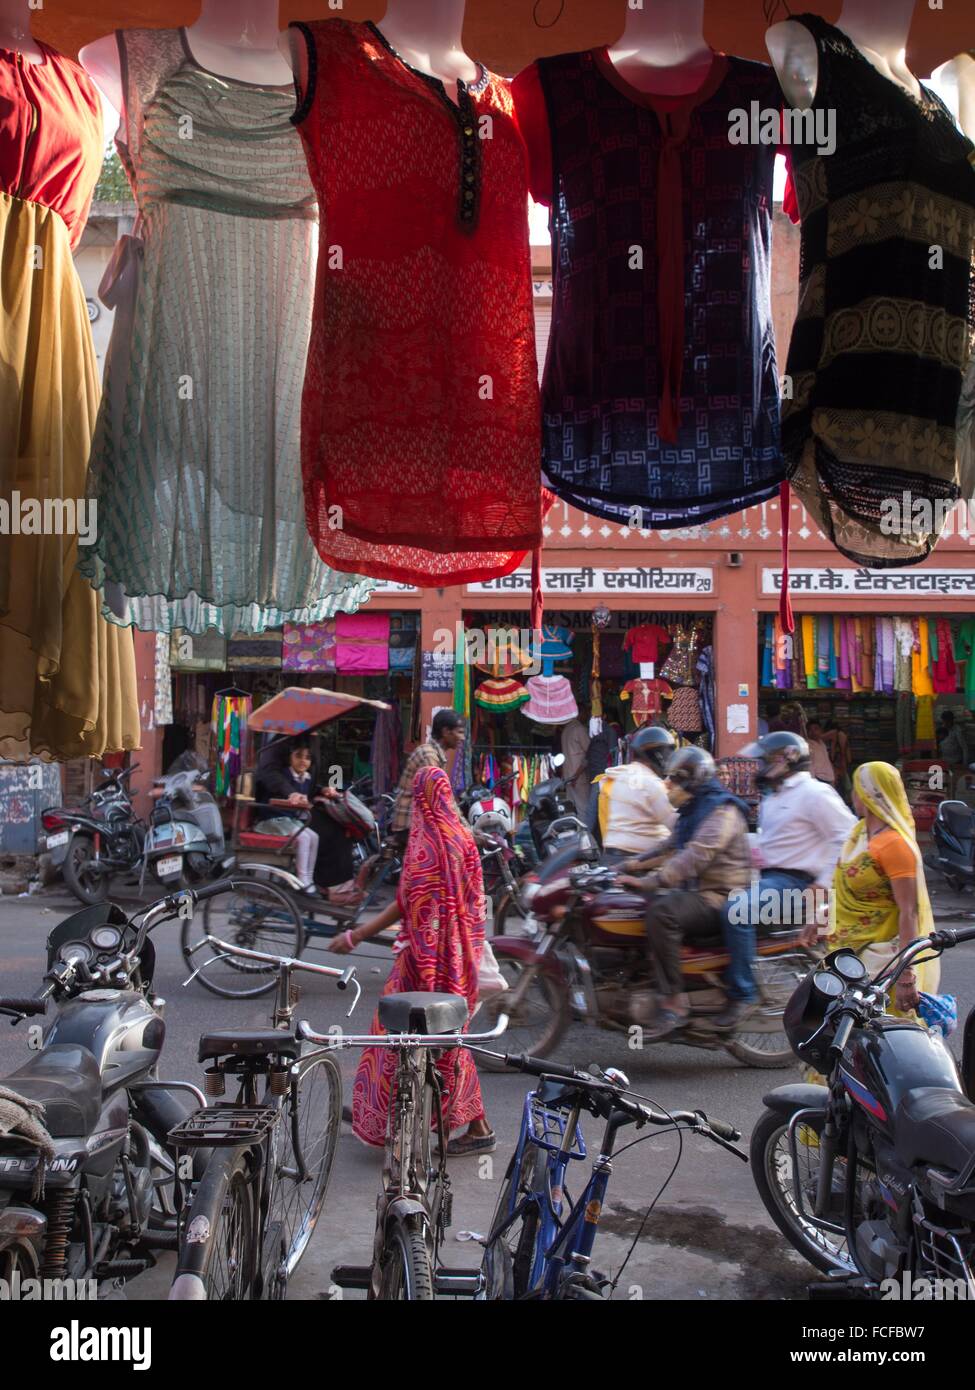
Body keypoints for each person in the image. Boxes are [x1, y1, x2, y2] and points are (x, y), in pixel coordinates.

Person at [329, 766, 495, 1155]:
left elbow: (407, 904)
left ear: (420, 799)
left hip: (424, 962)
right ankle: (444, 1121)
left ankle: (468, 1126)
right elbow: (473, 903)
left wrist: (356, 935)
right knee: (444, 1039)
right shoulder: (462, 837)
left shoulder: (429, 843)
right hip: (458, 960)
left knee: (407, 1037)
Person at [714, 731, 857, 1030]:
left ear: (786, 760)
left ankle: (744, 993)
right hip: (769, 879)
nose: (759, 767)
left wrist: (822, 883)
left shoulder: (815, 793)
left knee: (735, 910)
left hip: (796, 884)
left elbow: (847, 836)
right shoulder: (775, 796)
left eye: (764, 761)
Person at [618, 746, 751, 1039]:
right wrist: (626, 866)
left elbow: (695, 855)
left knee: (661, 913)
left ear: (693, 782)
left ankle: (674, 1003)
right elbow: (668, 847)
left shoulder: (721, 810)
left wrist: (652, 881)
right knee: (633, 907)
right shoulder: (692, 811)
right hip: (698, 890)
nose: (667, 785)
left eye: (674, 779)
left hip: (721, 895)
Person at [826, 761, 940, 1014]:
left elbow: (909, 912)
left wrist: (906, 976)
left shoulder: (894, 846)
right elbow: (842, 885)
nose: (852, 795)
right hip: (848, 957)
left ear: (868, 793)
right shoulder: (859, 834)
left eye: (856, 789)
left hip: (880, 964)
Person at [594, 726, 676, 863]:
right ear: (657, 755)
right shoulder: (651, 783)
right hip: (637, 860)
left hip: (610, 855)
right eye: (667, 753)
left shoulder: (620, 776)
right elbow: (674, 822)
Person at [254, 740, 322, 891]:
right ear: (289, 758)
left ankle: (309, 878)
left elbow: (310, 793)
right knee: (304, 838)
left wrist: (323, 791)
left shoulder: (307, 778)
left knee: (314, 837)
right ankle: (302, 877)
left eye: (307, 757)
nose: (303, 761)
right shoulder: (281, 776)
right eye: (298, 756)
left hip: (290, 820)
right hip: (272, 819)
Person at [389, 709, 464, 844]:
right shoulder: (429, 756)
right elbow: (440, 798)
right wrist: (463, 828)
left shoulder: (436, 755)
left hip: (419, 822)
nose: (462, 738)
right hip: (410, 824)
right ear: (446, 732)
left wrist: (462, 824)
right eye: (459, 732)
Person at [560, 703, 591, 818]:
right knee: (584, 809)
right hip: (578, 777)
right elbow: (589, 754)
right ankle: (585, 834)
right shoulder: (580, 729)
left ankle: (574, 834)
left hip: (568, 776)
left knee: (571, 809)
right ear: (580, 713)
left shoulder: (566, 730)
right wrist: (576, 776)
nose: (588, 716)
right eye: (586, 713)